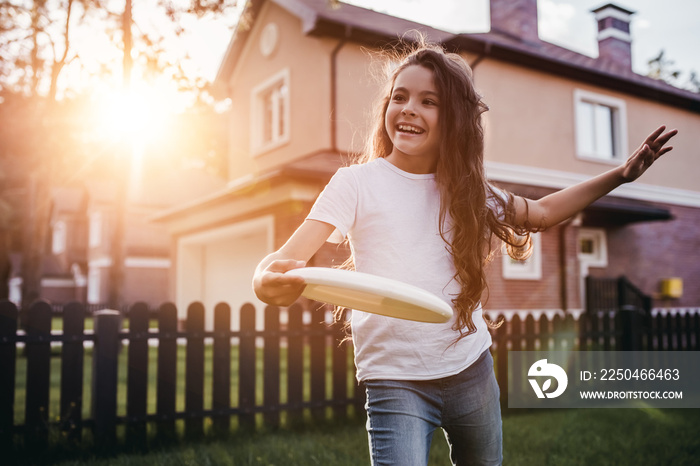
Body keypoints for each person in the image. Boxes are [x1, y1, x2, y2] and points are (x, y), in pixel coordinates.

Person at [252, 40, 677, 466]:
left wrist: (621, 175)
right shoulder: (355, 184)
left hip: (469, 368)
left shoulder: (468, 192)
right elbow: (286, 262)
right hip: (393, 377)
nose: (409, 108)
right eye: (399, 97)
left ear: (453, 119)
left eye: (428, 101)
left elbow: (543, 213)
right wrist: (269, 279)